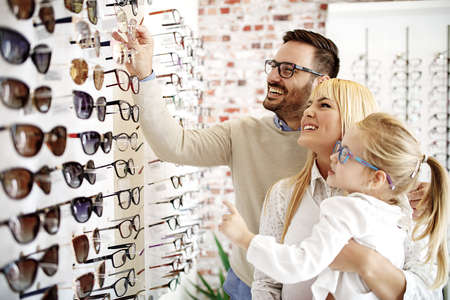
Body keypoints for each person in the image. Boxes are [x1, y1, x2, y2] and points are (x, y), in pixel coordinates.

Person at [114, 26, 432, 299]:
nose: (272, 76)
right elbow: (176, 145)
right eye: (273, 65)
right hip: (251, 280)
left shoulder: (377, 168)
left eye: (288, 69)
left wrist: (368, 262)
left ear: (322, 82)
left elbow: (425, 284)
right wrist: (145, 73)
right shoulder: (246, 138)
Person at [219, 111, 449, 299]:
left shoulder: (345, 209)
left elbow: (300, 263)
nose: (335, 156)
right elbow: (267, 285)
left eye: (345, 152)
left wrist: (244, 238)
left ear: (376, 179)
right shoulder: (392, 214)